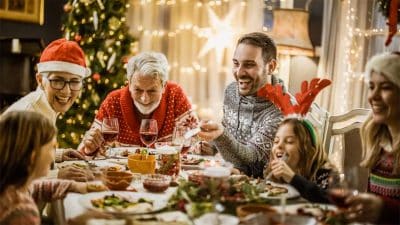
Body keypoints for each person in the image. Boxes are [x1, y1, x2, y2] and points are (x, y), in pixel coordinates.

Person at [2, 38, 93, 181]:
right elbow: (10, 175)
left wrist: (58, 154)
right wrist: (57, 175)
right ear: (40, 80)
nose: (66, 91)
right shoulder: (30, 114)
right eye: (57, 80)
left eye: (75, 81)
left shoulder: (45, 105)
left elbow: (26, 155)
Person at [198, 32, 283, 178]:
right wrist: (212, 146)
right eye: (236, 63)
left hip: (262, 188)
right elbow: (229, 130)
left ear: (271, 67)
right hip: (230, 175)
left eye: (249, 65)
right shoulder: (232, 91)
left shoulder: (281, 111)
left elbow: (253, 158)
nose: (239, 72)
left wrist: (219, 137)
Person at [0, 111, 109, 225]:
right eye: (52, 148)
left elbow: (38, 188)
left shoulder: (14, 187)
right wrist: (75, 222)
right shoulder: (21, 214)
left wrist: (77, 186)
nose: (54, 154)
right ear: (33, 158)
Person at [79, 51, 195, 156]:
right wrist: (89, 149)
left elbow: (194, 144)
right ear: (129, 84)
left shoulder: (175, 95)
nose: (145, 98)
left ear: (164, 86)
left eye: (152, 91)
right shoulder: (113, 101)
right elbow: (87, 151)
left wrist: (207, 145)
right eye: (138, 90)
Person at [263, 118, 335, 203]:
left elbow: (331, 201)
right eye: (276, 141)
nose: (279, 145)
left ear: (308, 150)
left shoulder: (325, 174)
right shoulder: (271, 171)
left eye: (289, 141)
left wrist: (293, 178)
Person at [359, 52, 400, 200]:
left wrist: (381, 208)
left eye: (386, 87)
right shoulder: (378, 140)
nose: (373, 96)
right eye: (371, 87)